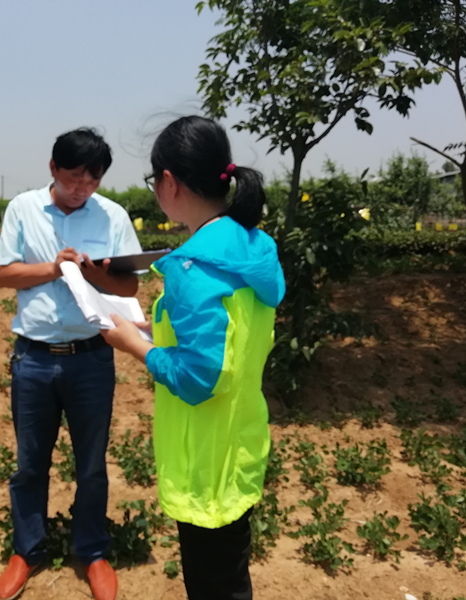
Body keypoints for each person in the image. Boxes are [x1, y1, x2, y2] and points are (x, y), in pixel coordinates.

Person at [100, 116, 285, 600]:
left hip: (204, 465)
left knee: (213, 587)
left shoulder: (193, 267)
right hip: (240, 446)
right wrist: (155, 329)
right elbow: (226, 336)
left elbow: (198, 378)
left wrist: (135, 345)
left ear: (169, 182)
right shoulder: (252, 248)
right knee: (231, 577)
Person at [0, 128, 142, 600]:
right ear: (53, 168)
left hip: (91, 357)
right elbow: (2, 274)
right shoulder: (23, 209)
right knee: (30, 463)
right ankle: (27, 549)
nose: (82, 188)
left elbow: (130, 286)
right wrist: (55, 269)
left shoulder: (112, 215)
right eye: (74, 177)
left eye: (92, 181)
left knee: (92, 463)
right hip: (34, 358)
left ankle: (92, 551)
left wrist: (97, 275)